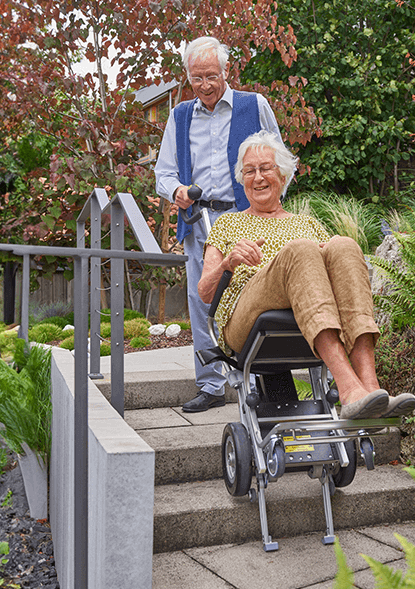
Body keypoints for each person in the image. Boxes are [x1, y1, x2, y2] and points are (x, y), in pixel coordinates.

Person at [198, 131, 415, 420]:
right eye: (249, 171)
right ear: (242, 179)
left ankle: (370, 388)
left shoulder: (308, 224)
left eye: (265, 168)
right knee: (301, 249)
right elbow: (205, 292)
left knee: (344, 245)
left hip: (307, 312)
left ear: (283, 175)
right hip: (246, 315)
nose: (258, 177)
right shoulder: (228, 223)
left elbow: (336, 272)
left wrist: (331, 250)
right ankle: (348, 388)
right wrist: (228, 263)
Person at [155, 36, 283, 413]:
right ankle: (211, 385)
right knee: (202, 300)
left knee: (255, 295)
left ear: (226, 72)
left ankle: (260, 382)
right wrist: (177, 190)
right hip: (199, 220)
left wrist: (271, 208)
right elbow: (163, 173)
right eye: (197, 78)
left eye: (212, 75)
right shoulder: (180, 116)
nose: (205, 85)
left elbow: (280, 161)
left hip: (249, 217)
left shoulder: (254, 105)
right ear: (188, 77)